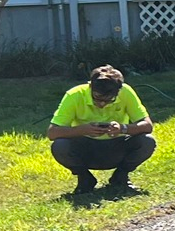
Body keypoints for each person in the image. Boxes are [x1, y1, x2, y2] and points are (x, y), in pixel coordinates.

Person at [46, 65, 156, 196]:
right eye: (97, 98)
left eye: (109, 100)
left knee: (147, 141)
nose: (102, 104)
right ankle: (85, 179)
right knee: (60, 146)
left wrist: (123, 128)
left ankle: (120, 177)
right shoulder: (74, 95)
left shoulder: (126, 92)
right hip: (85, 149)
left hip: (117, 146)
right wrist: (82, 130)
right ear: (90, 86)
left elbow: (147, 125)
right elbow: (52, 132)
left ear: (118, 91)